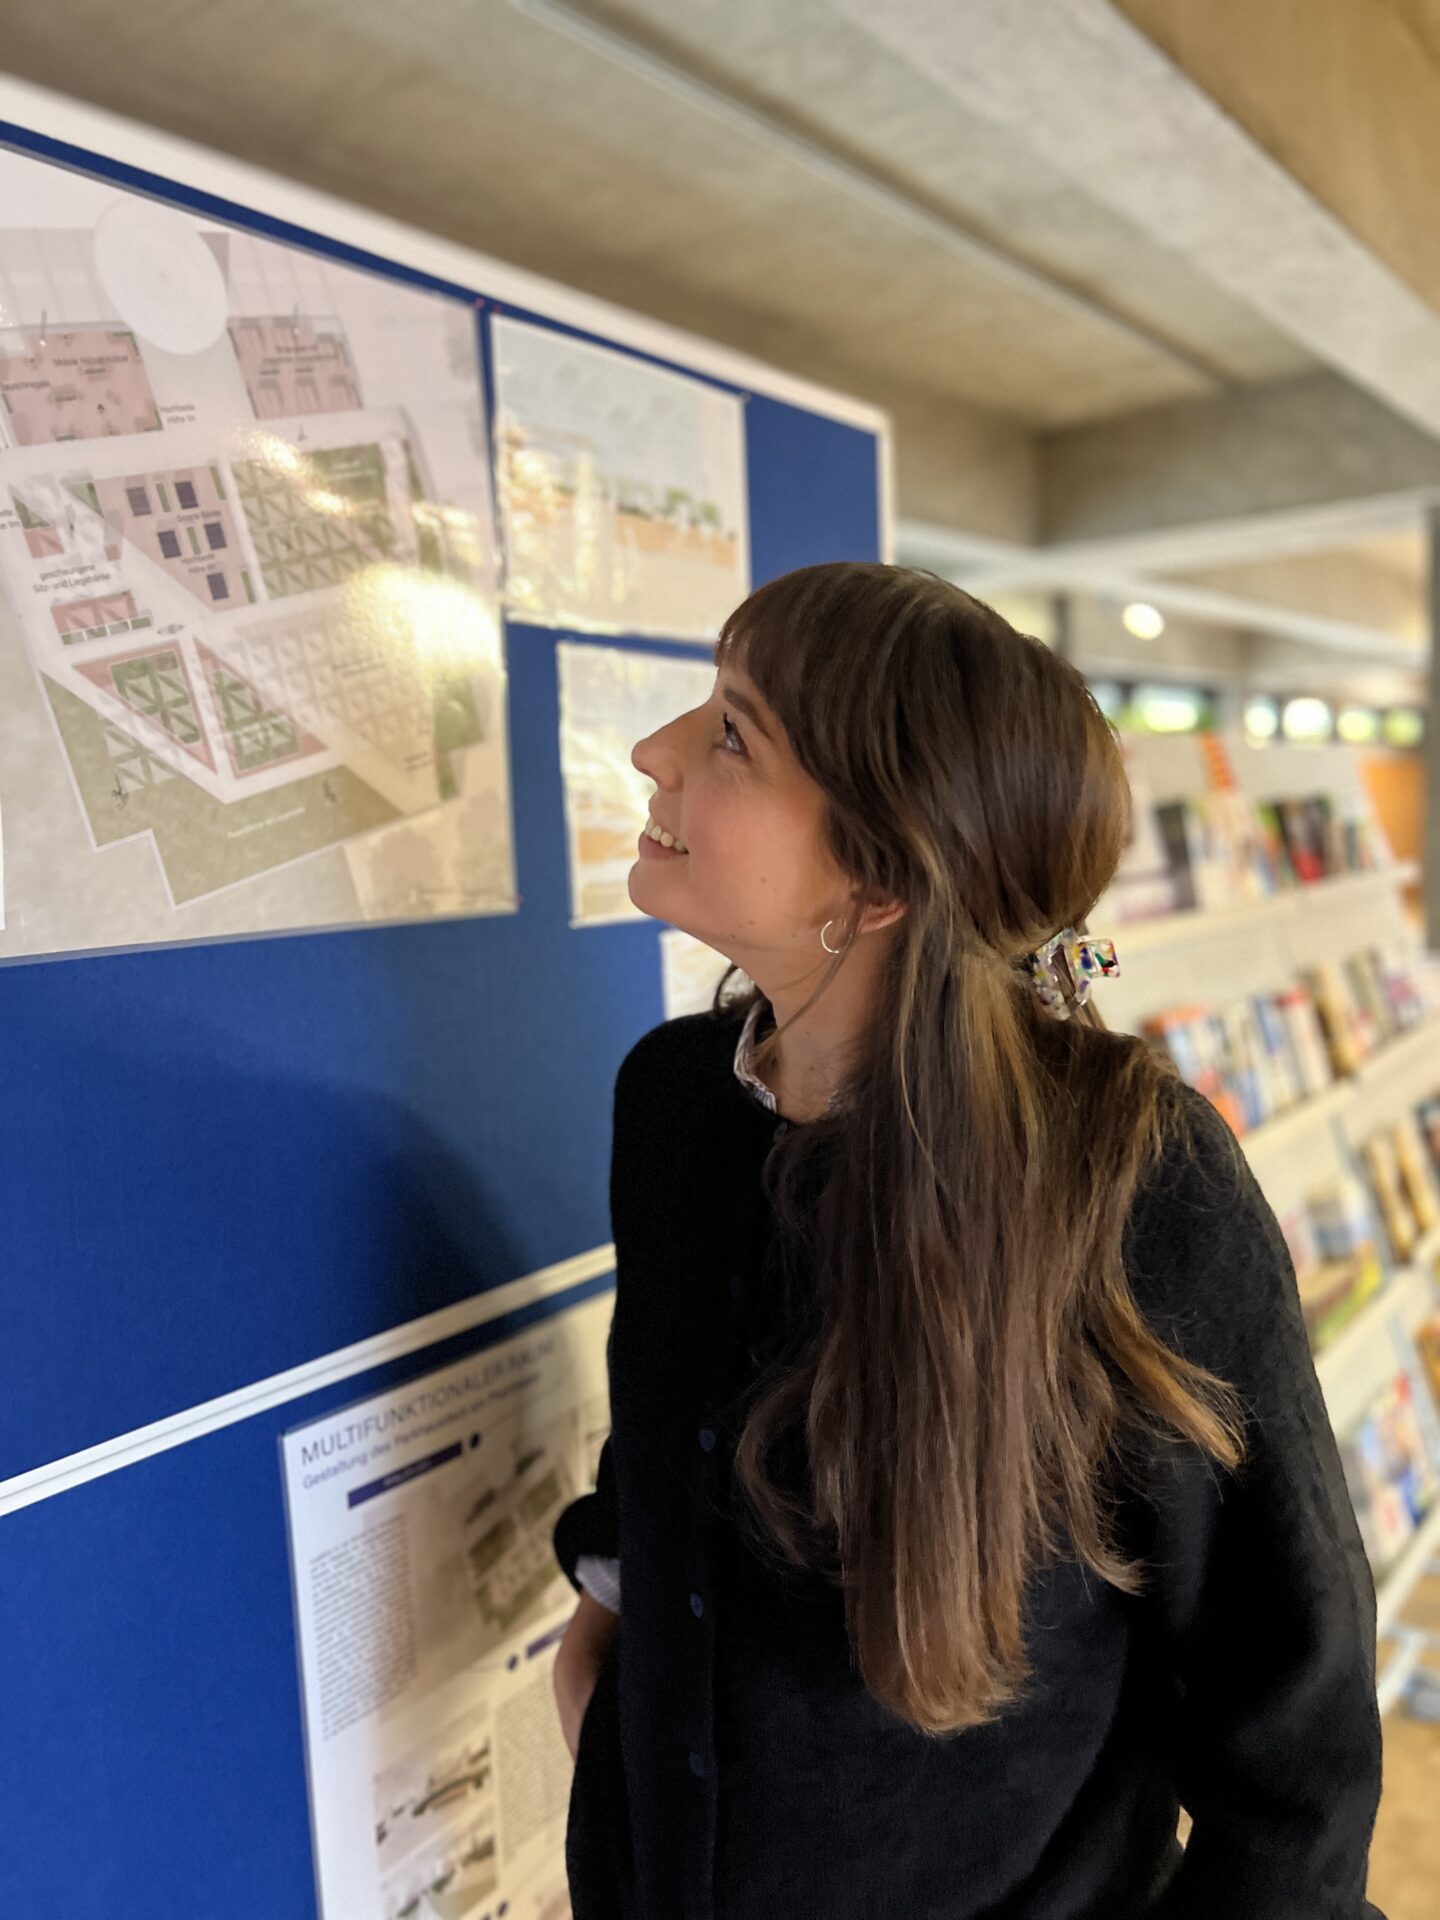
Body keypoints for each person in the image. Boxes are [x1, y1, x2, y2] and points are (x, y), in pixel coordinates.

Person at [550, 562, 1385, 1919]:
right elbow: (667, 1418)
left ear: (879, 878)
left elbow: (1290, 1729)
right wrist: (604, 1637)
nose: (653, 756)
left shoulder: (1139, 1181)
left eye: (729, 734)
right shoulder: (676, 1104)